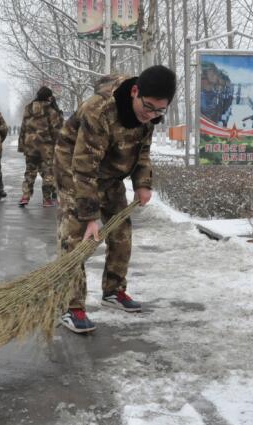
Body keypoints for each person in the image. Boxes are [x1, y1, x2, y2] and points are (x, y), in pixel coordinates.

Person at [54, 65, 176, 333]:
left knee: (121, 233)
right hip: (75, 174)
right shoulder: (100, 110)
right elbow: (84, 167)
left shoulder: (149, 116)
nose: (152, 114)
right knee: (76, 241)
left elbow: (142, 153)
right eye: (149, 106)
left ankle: (114, 290)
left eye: (160, 110)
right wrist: (90, 217)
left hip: (109, 176)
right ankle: (71, 306)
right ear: (135, 92)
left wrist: (142, 184)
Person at [18, 86, 63, 207]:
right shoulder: (51, 111)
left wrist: (21, 145)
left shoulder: (28, 109)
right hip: (46, 148)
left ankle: (25, 196)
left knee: (29, 172)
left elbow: (23, 128)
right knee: (48, 173)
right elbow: (56, 131)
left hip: (30, 146)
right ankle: (47, 199)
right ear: (49, 96)